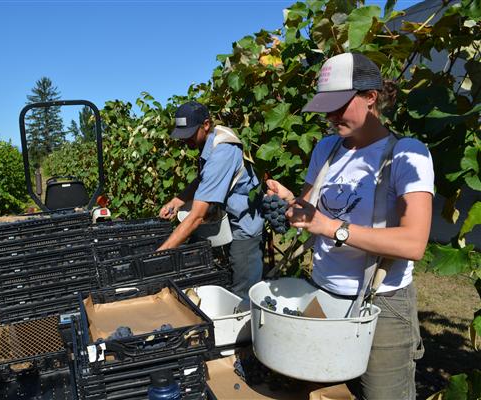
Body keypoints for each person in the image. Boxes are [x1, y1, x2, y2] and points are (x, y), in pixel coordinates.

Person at [266, 53, 433, 399]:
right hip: (324, 293)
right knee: (325, 393)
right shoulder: (327, 149)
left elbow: (414, 243)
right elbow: (309, 211)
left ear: (370, 97)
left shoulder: (407, 155)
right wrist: (289, 203)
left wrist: (332, 228)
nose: (330, 116)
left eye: (338, 106)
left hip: (381, 305)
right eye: (325, 108)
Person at [157, 101, 264, 299]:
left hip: (244, 228)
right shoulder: (210, 142)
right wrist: (177, 201)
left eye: (188, 133)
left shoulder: (222, 152)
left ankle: (246, 327)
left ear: (206, 124)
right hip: (227, 222)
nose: (184, 140)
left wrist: (160, 254)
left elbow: (197, 216)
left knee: (243, 294)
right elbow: (203, 179)